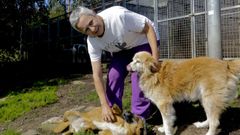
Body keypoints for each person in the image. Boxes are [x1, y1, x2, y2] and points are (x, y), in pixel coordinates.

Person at [69, 5, 161, 124]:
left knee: (138, 75)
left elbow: (148, 28)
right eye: (86, 29)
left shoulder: (118, 17)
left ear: (93, 13)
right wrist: (104, 105)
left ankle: (140, 117)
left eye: (91, 22)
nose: (92, 29)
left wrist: (155, 59)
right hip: (122, 49)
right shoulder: (92, 41)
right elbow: (97, 75)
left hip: (143, 40)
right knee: (113, 75)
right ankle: (113, 112)